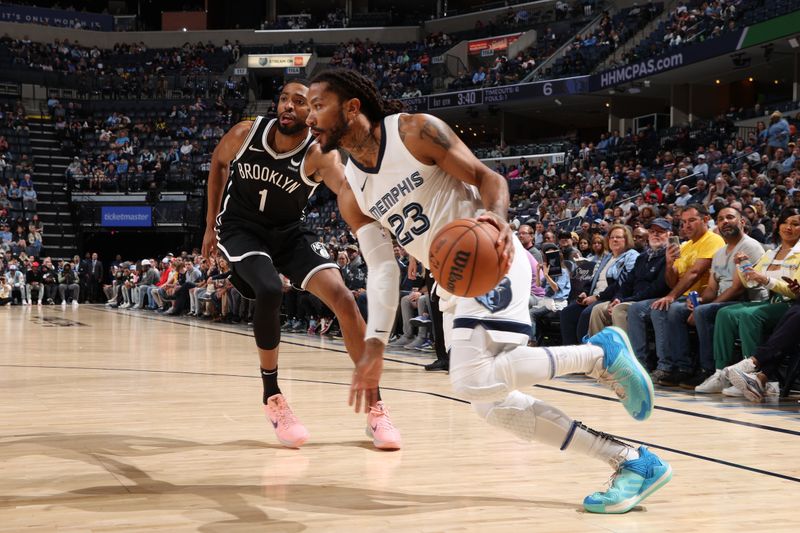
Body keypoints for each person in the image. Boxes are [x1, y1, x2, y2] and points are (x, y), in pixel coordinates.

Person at [307, 69, 670, 514]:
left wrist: (496, 217)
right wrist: (376, 343)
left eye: (317, 105)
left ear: (351, 107)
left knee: (471, 379)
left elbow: (488, 178)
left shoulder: (413, 131)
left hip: (490, 257)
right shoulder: (351, 192)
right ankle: (632, 462)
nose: (310, 118)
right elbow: (384, 269)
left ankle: (599, 356)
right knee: (491, 405)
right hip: (452, 282)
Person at [201, 79, 401, 450]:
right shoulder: (246, 132)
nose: (288, 106)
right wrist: (210, 225)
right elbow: (218, 164)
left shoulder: (319, 154)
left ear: (312, 114)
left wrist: (377, 219)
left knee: (343, 297)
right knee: (269, 289)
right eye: (283, 99)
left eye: (299, 102)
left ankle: (376, 406)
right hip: (240, 229)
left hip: (289, 234)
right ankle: (273, 396)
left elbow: (345, 190)